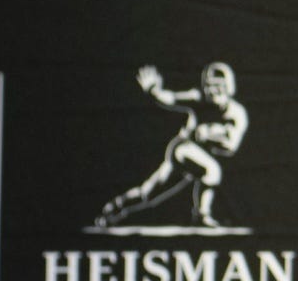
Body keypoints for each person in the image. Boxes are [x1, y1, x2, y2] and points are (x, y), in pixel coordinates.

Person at [94, 63, 247, 229]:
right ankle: (201, 215)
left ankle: (114, 207)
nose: (212, 90)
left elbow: (231, 147)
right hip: (183, 148)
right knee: (212, 171)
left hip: (198, 156)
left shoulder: (236, 113)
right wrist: (154, 90)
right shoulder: (198, 98)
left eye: (218, 85)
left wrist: (212, 136)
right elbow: (172, 98)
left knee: (147, 195)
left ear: (228, 87)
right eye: (209, 85)